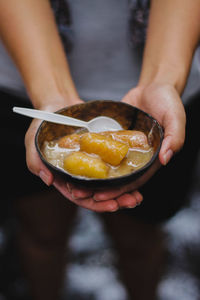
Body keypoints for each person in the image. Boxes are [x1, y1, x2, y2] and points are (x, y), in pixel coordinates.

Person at [0, 0, 200, 299]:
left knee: (141, 238)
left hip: (164, 87)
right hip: (26, 76)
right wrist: (51, 93)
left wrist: (162, 80)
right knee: (41, 232)